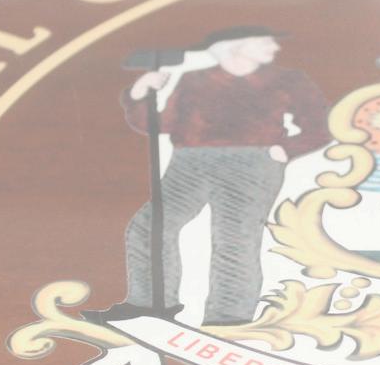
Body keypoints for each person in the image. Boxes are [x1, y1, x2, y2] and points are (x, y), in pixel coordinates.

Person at [95, 25, 331, 326]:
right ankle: (150, 305)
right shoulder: (195, 80)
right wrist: (140, 92)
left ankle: (228, 319)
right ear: (235, 45)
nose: (274, 47)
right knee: (149, 227)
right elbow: (159, 124)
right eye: (264, 41)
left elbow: (319, 127)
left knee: (234, 239)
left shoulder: (289, 80)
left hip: (251, 164)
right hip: (190, 162)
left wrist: (286, 149)